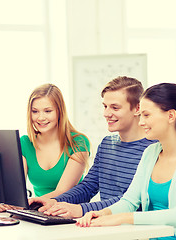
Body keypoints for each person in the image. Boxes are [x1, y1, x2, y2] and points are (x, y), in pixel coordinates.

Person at [76, 83, 176, 240]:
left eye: (146, 115)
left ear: (171, 116)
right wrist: (103, 213)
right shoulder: (151, 153)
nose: (140, 122)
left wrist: (123, 218)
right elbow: (129, 201)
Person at [29, 76, 155, 219]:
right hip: (106, 226)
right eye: (105, 106)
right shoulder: (107, 144)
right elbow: (88, 187)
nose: (106, 113)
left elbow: (131, 200)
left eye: (115, 107)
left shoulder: (153, 148)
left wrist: (81, 209)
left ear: (137, 108)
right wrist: (54, 201)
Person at [21, 83, 90, 198]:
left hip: (70, 212)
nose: (41, 118)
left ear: (59, 111)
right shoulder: (24, 143)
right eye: (35, 111)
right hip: (38, 211)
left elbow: (63, 192)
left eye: (48, 111)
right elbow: (17, 188)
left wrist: (31, 202)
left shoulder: (78, 142)